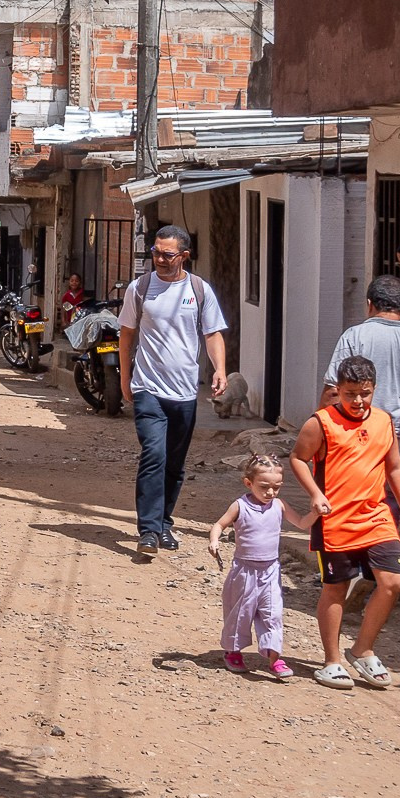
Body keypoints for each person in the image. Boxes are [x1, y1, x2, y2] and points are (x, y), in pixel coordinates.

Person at [290, 355, 400, 690]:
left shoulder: (383, 421)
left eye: (365, 393)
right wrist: (315, 494)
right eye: (350, 394)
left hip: (376, 517)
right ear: (338, 390)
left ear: (373, 389)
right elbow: (298, 459)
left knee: (393, 582)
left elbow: (394, 467)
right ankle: (331, 661)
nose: (358, 401)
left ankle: (362, 649)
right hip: (335, 521)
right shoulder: (321, 423)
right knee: (336, 588)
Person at [119, 224, 229, 558]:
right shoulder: (139, 289)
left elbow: (212, 334)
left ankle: (164, 523)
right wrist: (126, 380)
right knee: (154, 453)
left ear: (184, 255)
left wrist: (220, 369)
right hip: (148, 387)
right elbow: (126, 336)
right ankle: (149, 531)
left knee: (175, 462)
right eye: (155, 252)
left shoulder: (199, 290)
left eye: (167, 254)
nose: (160, 259)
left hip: (184, 391)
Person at [320, 275, 400, 524]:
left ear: (369, 304)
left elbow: (333, 392)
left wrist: (324, 437)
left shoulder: (354, 336)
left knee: (349, 521)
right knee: (388, 523)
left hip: (354, 446)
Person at [208, 454, 315, 680]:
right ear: (249, 483)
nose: (270, 492)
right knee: (240, 612)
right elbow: (219, 524)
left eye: (276, 487)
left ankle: (274, 658)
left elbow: (302, 523)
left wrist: (316, 512)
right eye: (264, 487)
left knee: (272, 613)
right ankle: (233, 652)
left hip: (271, 570)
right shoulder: (240, 506)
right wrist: (214, 540)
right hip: (244, 570)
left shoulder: (279, 505)